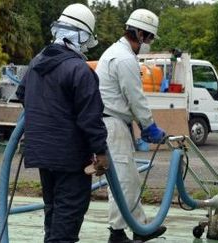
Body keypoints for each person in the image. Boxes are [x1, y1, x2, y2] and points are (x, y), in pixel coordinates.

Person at [16, 3, 108, 243]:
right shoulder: (79, 70)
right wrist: (101, 151)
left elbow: (21, 94)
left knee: (53, 212)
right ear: (81, 37)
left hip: (42, 154)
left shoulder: (36, 63)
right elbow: (91, 118)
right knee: (67, 219)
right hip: (71, 157)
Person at [95, 9, 167, 243]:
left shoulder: (116, 53)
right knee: (123, 181)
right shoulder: (124, 59)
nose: (148, 43)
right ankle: (117, 233)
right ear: (138, 32)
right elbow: (135, 98)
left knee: (130, 179)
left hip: (114, 122)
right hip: (112, 124)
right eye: (148, 38)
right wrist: (149, 126)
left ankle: (141, 228)